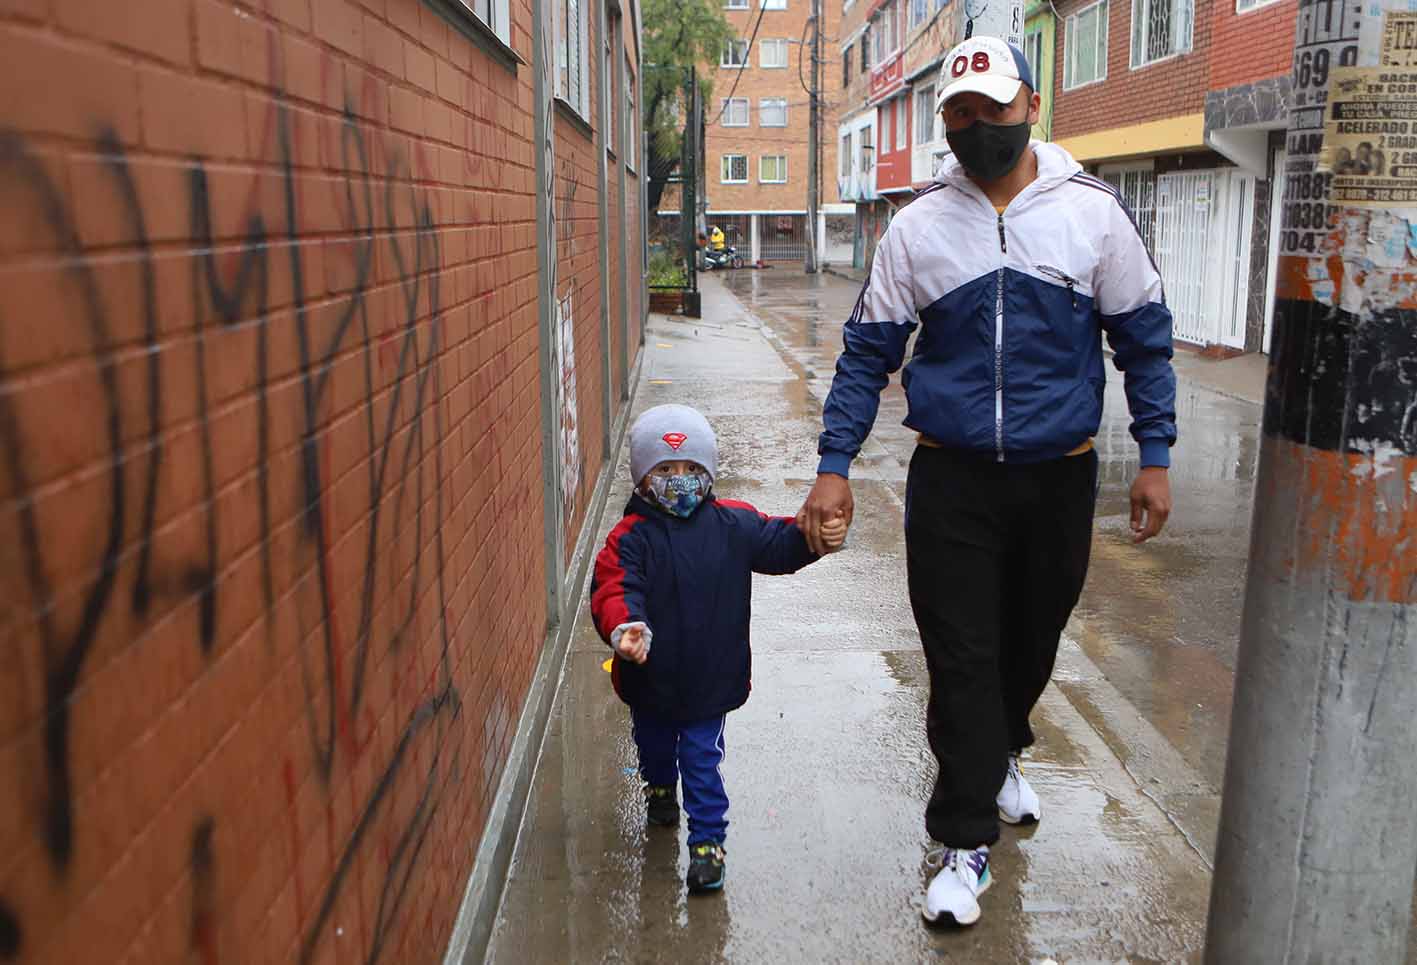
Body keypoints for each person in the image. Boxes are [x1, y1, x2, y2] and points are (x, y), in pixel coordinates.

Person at [797, 36, 1176, 927]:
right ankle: (961, 840)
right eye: (959, 114)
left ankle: (1003, 748)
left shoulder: (1091, 214)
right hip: (952, 481)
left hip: (1059, 480)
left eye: (993, 109)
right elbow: (865, 357)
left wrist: (1154, 455)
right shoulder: (919, 227)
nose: (977, 128)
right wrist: (832, 465)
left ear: (1031, 107)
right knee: (960, 659)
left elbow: (1144, 337)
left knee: (1028, 643)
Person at [591, 404, 846, 894]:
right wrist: (624, 627)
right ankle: (659, 788)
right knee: (656, 749)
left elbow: (778, 543)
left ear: (709, 472)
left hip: (710, 679)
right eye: (664, 470)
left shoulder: (732, 524)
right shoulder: (630, 538)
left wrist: (815, 539)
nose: (679, 480)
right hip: (651, 678)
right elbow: (614, 587)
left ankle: (708, 843)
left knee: (702, 762)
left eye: (692, 469)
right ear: (643, 478)